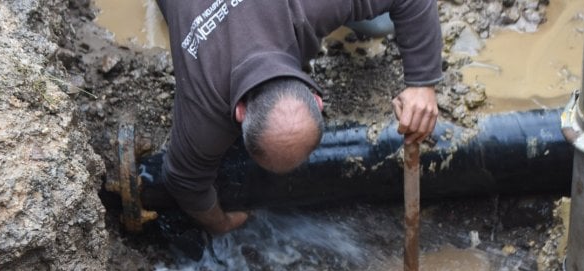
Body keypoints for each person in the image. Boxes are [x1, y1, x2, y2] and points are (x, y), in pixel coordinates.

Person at [155, 0, 442, 235]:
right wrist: (220, 223)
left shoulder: (311, 7)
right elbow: (182, 179)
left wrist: (422, 84)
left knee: (381, 24)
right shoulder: (203, 110)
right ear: (316, 99)